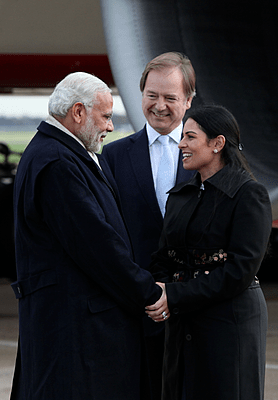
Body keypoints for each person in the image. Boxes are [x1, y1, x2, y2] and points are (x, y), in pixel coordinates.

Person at [10, 72, 163, 400]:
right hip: (75, 335)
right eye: (105, 116)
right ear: (78, 112)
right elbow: (97, 245)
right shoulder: (58, 162)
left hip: (77, 330)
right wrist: (148, 293)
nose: (110, 127)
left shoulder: (68, 154)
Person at [145, 104, 272, 400]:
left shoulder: (249, 195)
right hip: (183, 321)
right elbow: (163, 257)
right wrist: (159, 293)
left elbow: (240, 271)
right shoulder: (181, 197)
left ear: (217, 144)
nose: (182, 145)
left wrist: (173, 295)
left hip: (230, 324)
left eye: (190, 137)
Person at [100, 52, 196, 400]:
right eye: (151, 95)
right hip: (137, 309)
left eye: (170, 98)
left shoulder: (209, 158)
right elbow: (109, 235)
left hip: (193, 307)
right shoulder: (112, 157)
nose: (159, 106)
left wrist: (179, 291)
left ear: (188, 100)